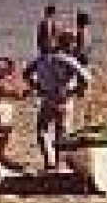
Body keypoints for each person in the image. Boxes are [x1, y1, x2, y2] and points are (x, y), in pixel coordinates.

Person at [23, 30, 92, 171]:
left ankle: (49, 161)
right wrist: (76, 91)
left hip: (47, 98)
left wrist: (37, 86)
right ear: (69, 44)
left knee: (43, 130)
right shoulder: (67, 60)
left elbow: (26, 73)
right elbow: (86, 78)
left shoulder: (43, 58)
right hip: (64, 99)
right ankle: (59, 163)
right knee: (63, 133)